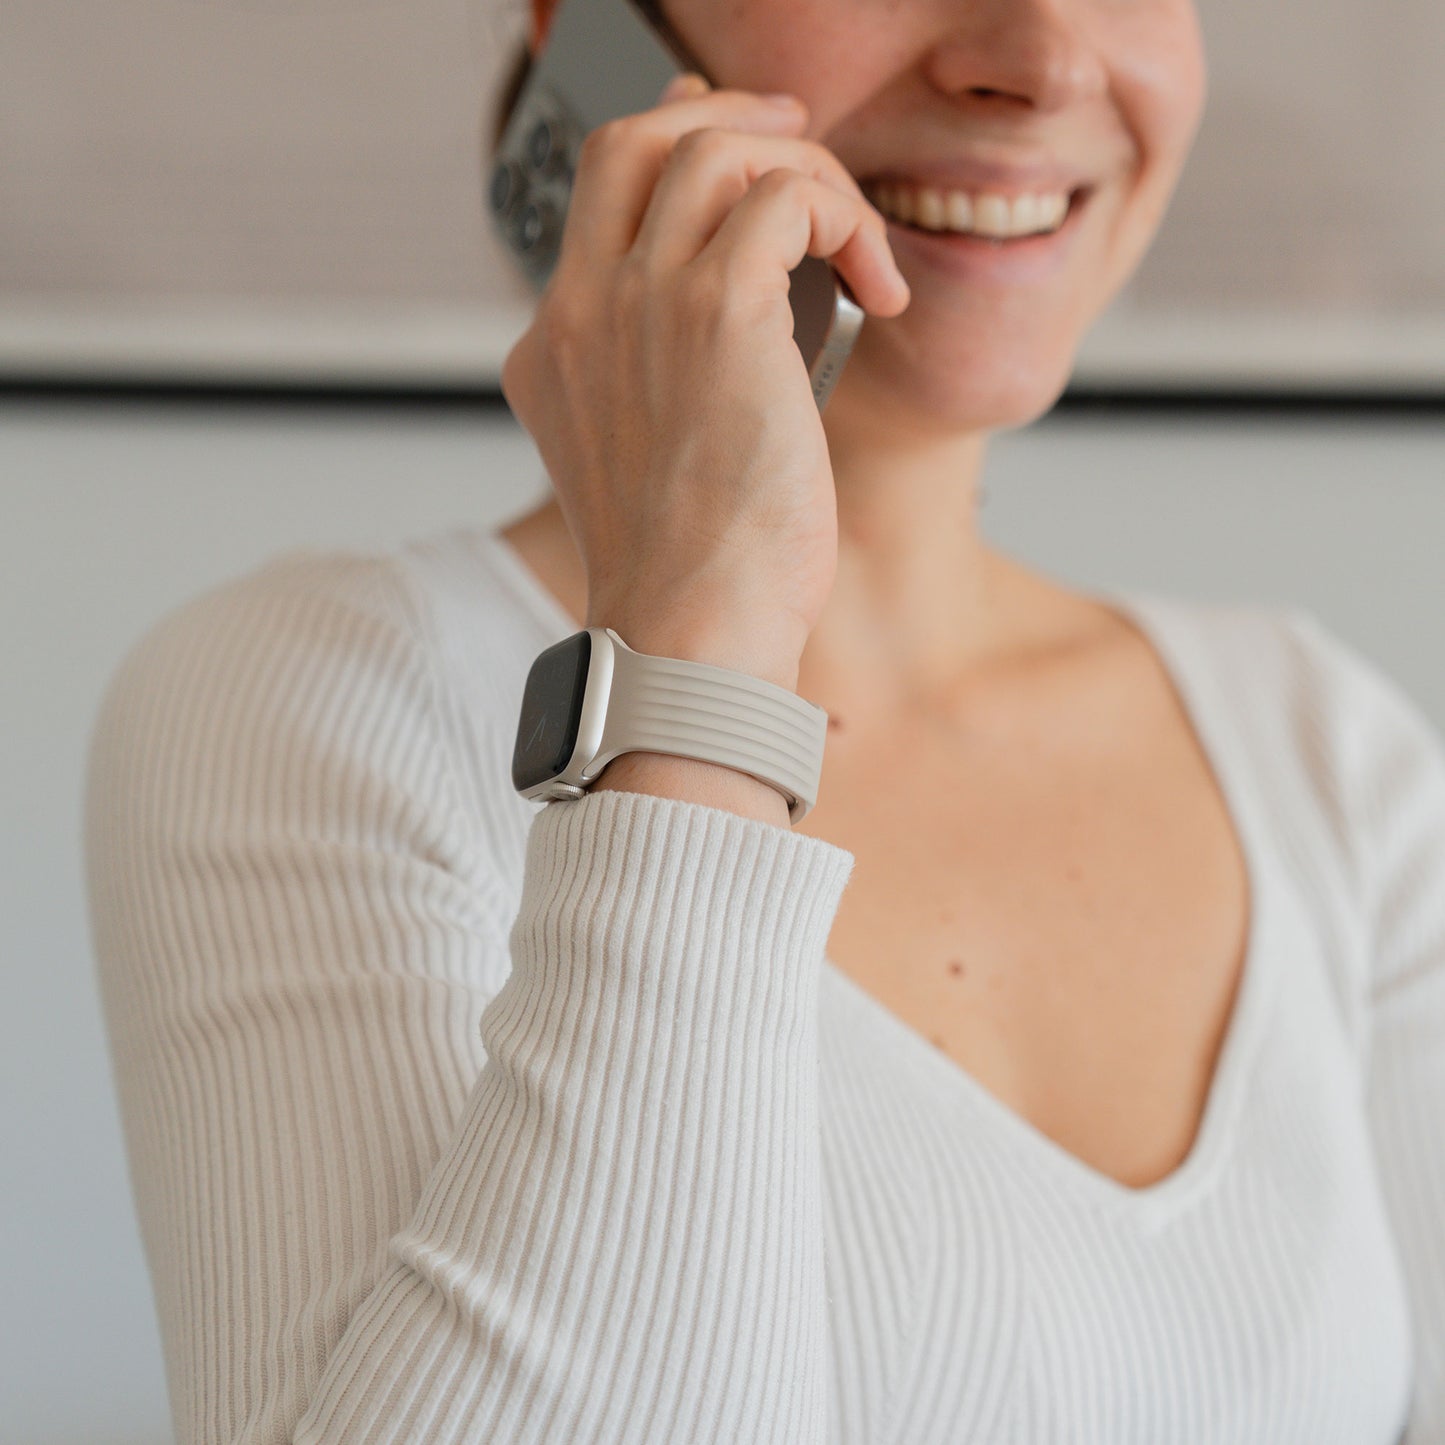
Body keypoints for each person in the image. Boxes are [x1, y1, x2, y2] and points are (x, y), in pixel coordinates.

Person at [81, 0, 1444, 1439]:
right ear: (587, 29)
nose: (1040, 61)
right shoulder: (307, 701)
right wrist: (699, 649)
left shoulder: (1323, 749)